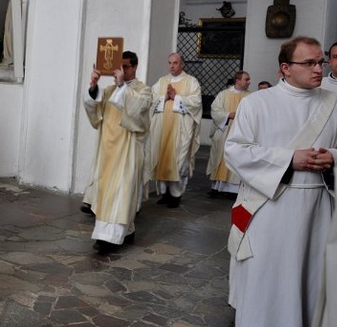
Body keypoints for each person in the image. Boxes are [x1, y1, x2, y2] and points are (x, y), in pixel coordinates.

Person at [225, 37, 337, 327]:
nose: (318, 68)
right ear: (285, 68)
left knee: (310, 288)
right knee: (267, 289)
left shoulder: (336, 104)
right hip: (270, 212)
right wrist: (288, 159)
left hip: (318, 212)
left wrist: (335, 158)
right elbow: (235, 151)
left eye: (320, 62)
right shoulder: (257, 104)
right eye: (309, 63)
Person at [82, 51, 152, 254]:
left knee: (121, 193)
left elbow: (139, 110)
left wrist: (122, 86)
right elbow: (93, 112)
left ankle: (109, 239)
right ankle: (127, 231)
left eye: (126, 67)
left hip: (128, 153)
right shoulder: (109, 90)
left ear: (135, 67)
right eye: (118, 67)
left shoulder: (143, 90)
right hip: (107, 153)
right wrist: (94, 86)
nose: (121, 71)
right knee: (107, 194)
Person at [145, 52, 202, 208]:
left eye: (175, 63)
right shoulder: (162, 81)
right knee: (162, 157)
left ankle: (175, 195)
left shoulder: (191, 81)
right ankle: (164, 194)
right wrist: (164, 97)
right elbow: (152, 98)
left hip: (181, 129)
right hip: (162, 128)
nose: (172, 66)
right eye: (170, 63)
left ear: (182, 64)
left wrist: (176, 97)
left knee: (179, 160)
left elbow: (196, 102)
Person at [206, 71, 250, 198]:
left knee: (237, 160)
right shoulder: (223, 95)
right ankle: (217, 187)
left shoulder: (250, 96)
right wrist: (228, 115)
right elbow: (215, 111)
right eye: (246, 79)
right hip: (224, 132)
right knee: (219, 158)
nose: (249, 82)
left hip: (241, 134)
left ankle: (233, 190)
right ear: (238, 80)